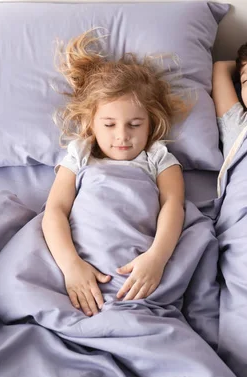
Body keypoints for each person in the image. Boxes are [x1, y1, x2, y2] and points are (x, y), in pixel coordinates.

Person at [42, 30, 187, 317]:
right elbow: (55, 210)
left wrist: (156, 259)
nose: (122, 136)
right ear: (92, 123)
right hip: (78, 265)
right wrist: (71, 266)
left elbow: (174, 205)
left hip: (136, 267)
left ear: (150, 123)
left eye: (134, 124)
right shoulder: (81, 155)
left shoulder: (158, 158)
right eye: (109, 124)